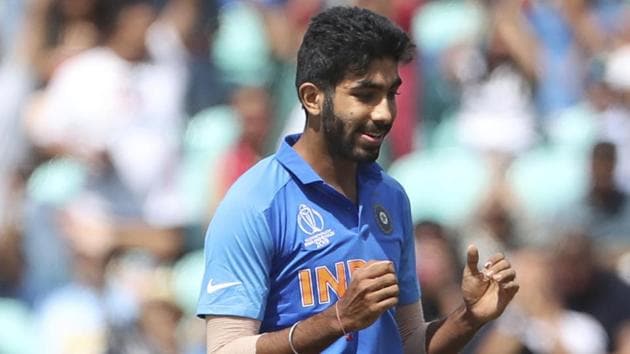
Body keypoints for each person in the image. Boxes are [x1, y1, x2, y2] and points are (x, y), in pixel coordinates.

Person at [196, 6, 519, 354]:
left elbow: (408, 343)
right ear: (312, 98)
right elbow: (224, 349)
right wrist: (336, 319)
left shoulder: (391, 197)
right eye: (365, 95)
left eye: (391, 94)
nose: (383, 114)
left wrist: (470, 318)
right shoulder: (255, 202)